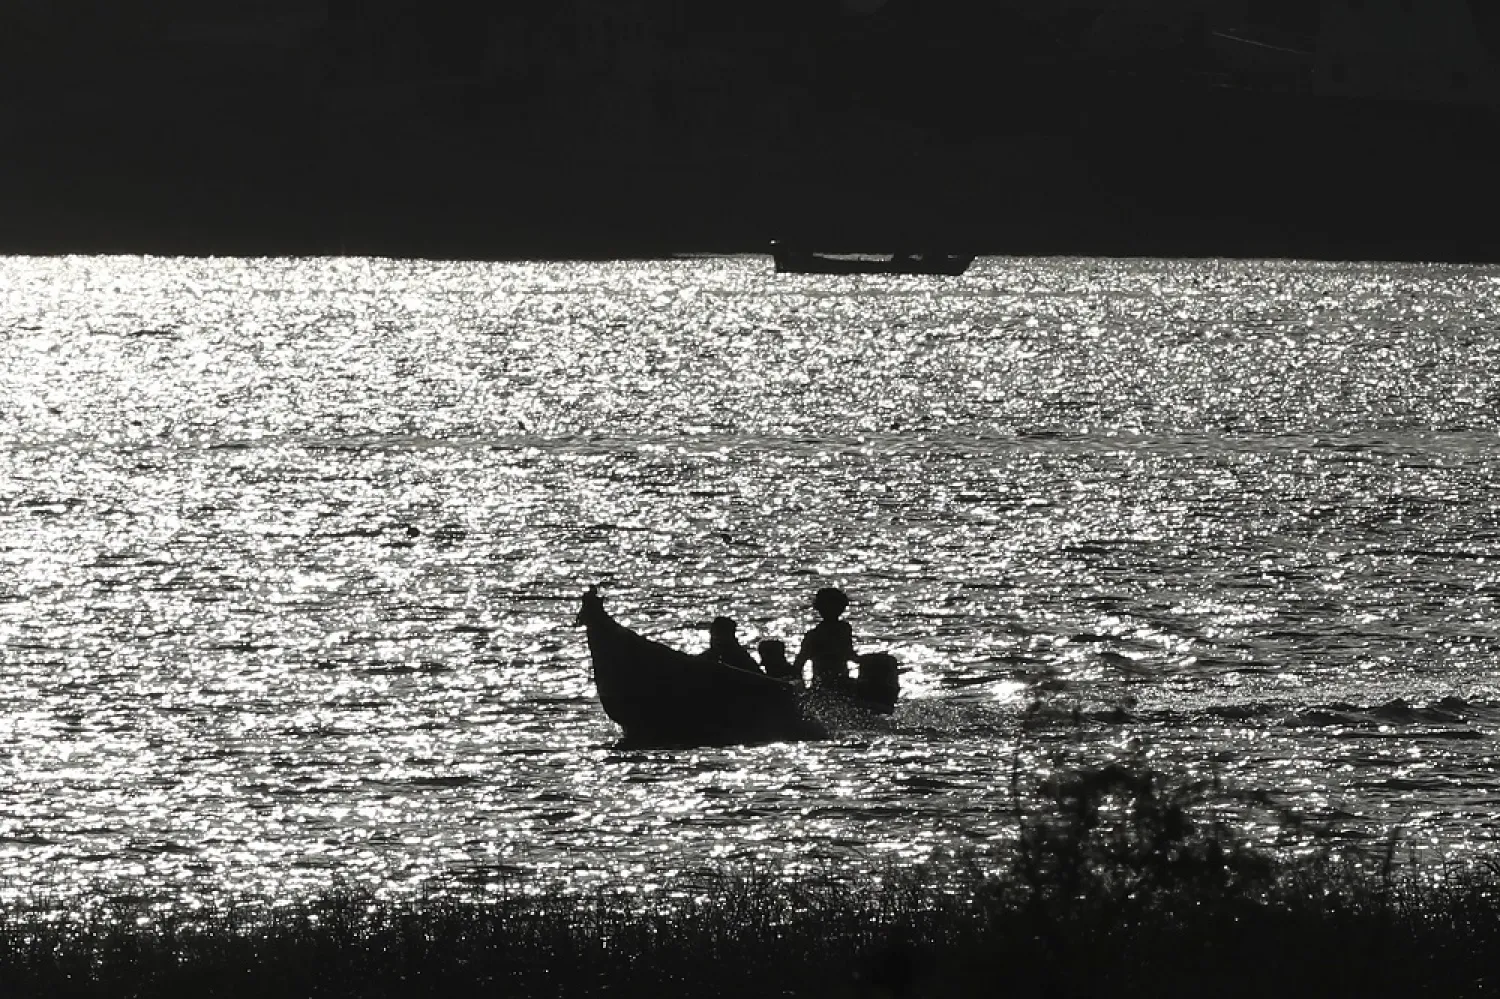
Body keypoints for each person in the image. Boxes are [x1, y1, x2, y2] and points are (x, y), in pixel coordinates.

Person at [794, 587, 862, 692]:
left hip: (838, 683)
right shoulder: (815, 635)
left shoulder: (843, 629)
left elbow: (849, 654)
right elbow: (799, 663)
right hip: (824, 685)